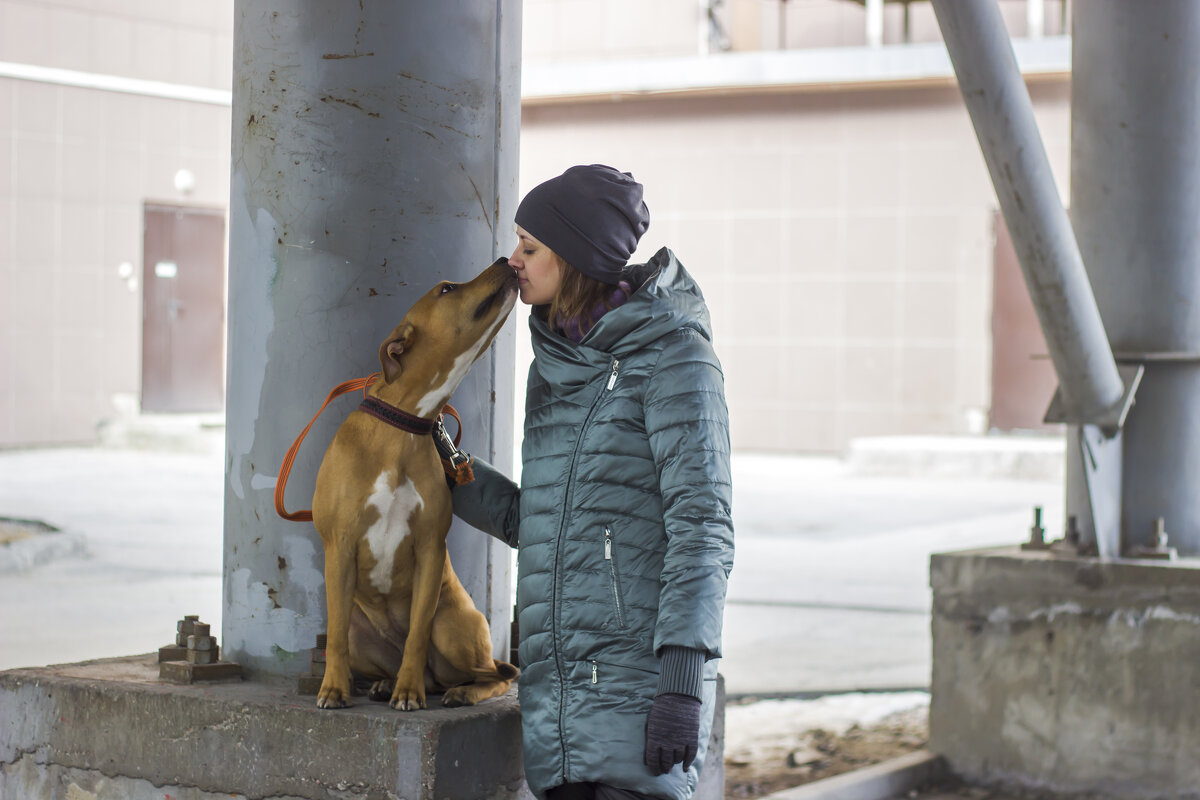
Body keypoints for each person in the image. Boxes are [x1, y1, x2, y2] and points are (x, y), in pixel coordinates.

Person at [449, 164, 734, 800]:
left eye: (530, 248)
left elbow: (703, 529)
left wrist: (684, 684)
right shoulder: (555, 366)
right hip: (557, 716)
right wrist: (450, 469)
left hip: (641, 700)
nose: (513, 261)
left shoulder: (675, 358)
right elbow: (545, 524)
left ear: (575, 258)